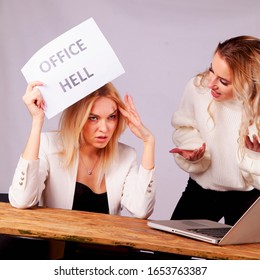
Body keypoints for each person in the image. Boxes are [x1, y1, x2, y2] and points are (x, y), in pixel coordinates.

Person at [9, 81, 155, 259]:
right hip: (61, 258)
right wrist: (37, 121)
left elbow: (141, 210)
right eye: (93, 118)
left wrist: (148, 142)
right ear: (77, 117)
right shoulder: (49, 145)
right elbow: (22, 200)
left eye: (111, 117)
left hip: (108, 259)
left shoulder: (126, 155)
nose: (104, 128)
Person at [170, 35, 260, 226]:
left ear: (249, 84)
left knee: (246, 256)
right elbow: (185, 126)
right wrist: (194, 149)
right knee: (166, 251)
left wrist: (254, 159)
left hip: (250, 197)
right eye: (212, 70)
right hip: (203, 189)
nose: (211, 83)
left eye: (223, 81)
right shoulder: (198, 88)